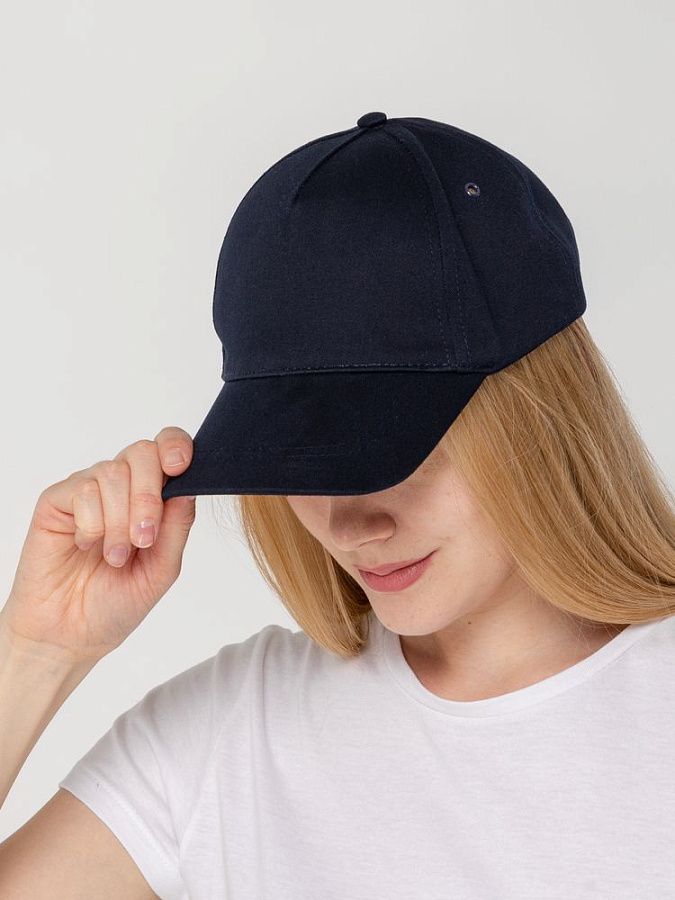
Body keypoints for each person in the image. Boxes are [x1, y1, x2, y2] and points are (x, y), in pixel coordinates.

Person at [0, 315, 673, 898]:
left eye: (402, 454)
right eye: (304, 462)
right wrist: (38, 648)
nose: (350, 526)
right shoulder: (232, 727)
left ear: (539, 421)